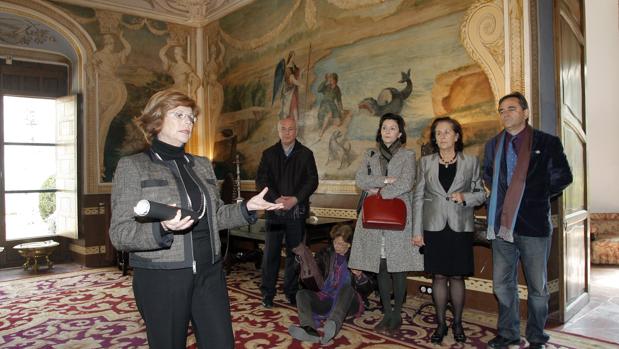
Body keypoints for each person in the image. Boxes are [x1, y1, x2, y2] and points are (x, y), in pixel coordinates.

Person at [109, 90, 283, 349]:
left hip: (209, 272)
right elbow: (120, 233)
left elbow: (215, 217)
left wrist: (247, 207)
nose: (188, 122)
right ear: (156, 119)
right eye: (179, 115)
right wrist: (160, 229)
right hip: (163, 277)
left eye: (191, 117)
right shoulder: (133, 166)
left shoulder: (201, 165)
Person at [483, 92, 572, 349]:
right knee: (502, 284)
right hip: (501, 226)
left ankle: (536, 336)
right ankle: (508, 333)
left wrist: (534, 194)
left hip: (534, 225)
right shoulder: (493, 145)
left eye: (511, 108)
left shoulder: (547, 142)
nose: (505, 113)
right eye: (501, 110)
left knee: (538, 287)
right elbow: (488, 174)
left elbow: (563, 176)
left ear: (525, 112)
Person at [411, 116, 486, 344]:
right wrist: (417, 231)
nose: (442, 136)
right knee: (438, 275)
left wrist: (465, 197)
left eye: (447, 132)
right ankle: (441, 323)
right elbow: (418, 198)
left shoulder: (471, 162)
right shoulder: (425, 162)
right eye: (438, 133)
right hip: (433, 227)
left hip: (460, 226)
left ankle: (458, 322)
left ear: (456, 136)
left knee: (456, 276)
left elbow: (482, 194)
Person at [348, 113, 423, 335]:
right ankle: (387, 313)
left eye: (392, 128)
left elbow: (407, 182)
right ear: (380, 131)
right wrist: (385, 181)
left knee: (398, 268)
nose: (388, 131)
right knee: (379, 266)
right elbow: (361, 180)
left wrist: (379, 192)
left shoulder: (408, 155)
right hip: (373, 221)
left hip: (398, 218)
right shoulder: (370, 154)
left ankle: (397, 314)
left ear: (400, 133)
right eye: (384, 128)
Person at [256, 117, 319, 308]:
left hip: (296, 212)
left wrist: (294, 199)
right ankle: (267, 293)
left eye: (291, 129)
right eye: (283, 129)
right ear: (278, 130)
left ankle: (291, 292)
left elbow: (312, 181)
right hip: (274, 212)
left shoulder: (306, 154)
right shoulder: (268, 154)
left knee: (295, 255)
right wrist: (276, 199)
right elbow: (262, 179)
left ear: (296, 131)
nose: (287, 132)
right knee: (270, 255)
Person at [288, 224, 374, 344]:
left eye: (342, 244)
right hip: (326, 298)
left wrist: (360, 276)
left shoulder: (358, 256)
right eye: (335, 243)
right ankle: (309, 329)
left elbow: (368, 289)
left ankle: (332, 324)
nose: (337, 247)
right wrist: (302, 260)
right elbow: (311, 274)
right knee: (301, 294)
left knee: (347, 288)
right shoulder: (326, 253)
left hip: (349, 303)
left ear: (349, 244)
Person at [317, 72, 343, 138]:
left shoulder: (337, 89)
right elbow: (318, 89)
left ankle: (328, 120)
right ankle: (322, 131)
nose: (330, 80)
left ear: (335, 80)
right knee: (329, 114)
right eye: (330, 79)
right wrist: (325, 81)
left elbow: (339, 100)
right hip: (325, 103)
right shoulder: (327, 86)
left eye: (332, 79)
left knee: (338, 123)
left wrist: (341, 109)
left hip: (332, 104)